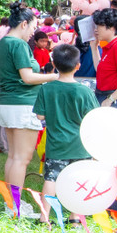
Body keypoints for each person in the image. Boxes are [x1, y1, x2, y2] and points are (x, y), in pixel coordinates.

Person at [0, 3, 57, 201]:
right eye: (32, 27)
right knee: (21, 159)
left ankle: (10, 204)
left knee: (13, 157)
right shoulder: (18, 44)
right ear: (23, 24)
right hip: (22, 104)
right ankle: (15, 206)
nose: (32, 32)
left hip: (7, 102)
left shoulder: (3, 42)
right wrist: (54, 77)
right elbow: (28, 77)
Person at [33, 44, 97, 214]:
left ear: (53, 64)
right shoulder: (85, 91)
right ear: (78, 66)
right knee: (79, 180)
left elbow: (40, 116)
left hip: (56, 145)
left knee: (51, 179)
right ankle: (76, 217)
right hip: (80, 145)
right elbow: (93, 117)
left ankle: (44, 217)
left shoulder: (46, 88)